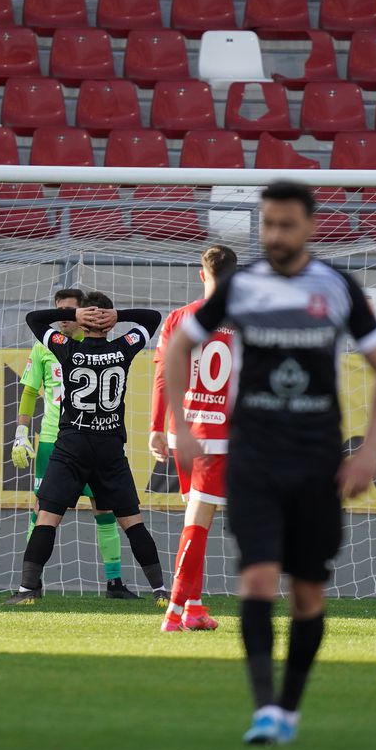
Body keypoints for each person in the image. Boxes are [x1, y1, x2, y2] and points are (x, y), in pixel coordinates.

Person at [161, 181, 376, 746]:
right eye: (268, 225)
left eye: (286, 225)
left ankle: (289, 708)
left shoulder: (336, 286)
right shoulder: (242, 285)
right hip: (253, 458)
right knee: (258, 580)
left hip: (316, 460)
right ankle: (264, 709)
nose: (275, 235)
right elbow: (177, 347)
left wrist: (368, 451)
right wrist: (179, 426)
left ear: (310, 227)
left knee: (308, 594)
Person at [5, 293, 168, 606]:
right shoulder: (123, 348)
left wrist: (75, 314)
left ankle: (27, 591)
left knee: (46, 518)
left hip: (71, 447)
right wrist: (117, 316)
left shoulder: (66, 348)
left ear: (85, 319)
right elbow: (152, 317)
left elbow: (34, 319)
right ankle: (161, 591)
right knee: (132, 521)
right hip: (109, 449)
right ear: (107, 322)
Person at [150, 245, 238, 632]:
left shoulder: (178, 318)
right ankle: (174, 610)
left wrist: (156, 428)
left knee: (195, 515)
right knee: (199, 521)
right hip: (219, 437)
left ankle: (195, 608)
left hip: (181, 433)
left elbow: (164, 376)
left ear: (202, 275)